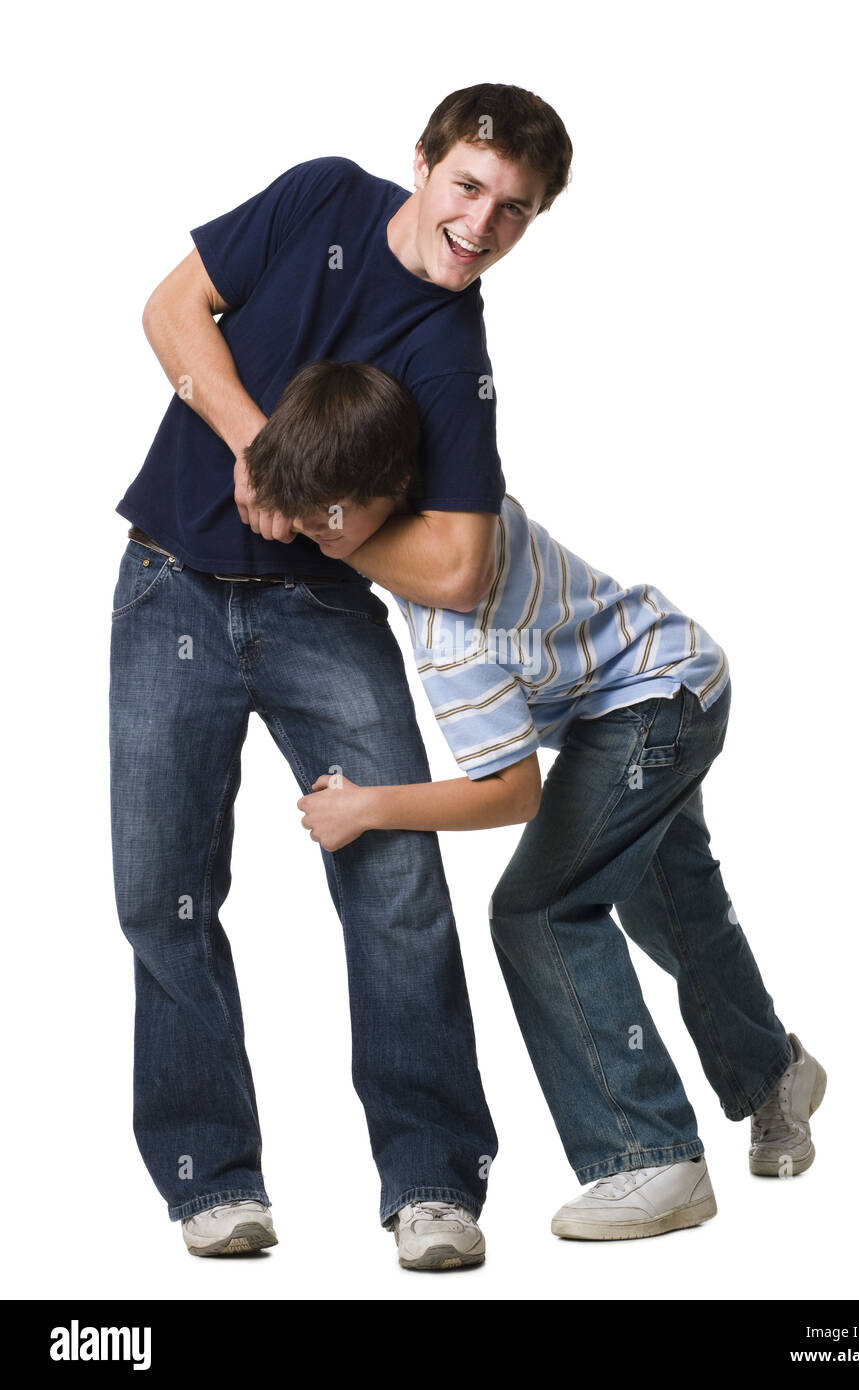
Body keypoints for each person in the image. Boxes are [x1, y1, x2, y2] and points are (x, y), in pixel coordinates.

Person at [109, 84, 573, 1268]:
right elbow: (172, 313)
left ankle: (432, 1181)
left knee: (396, 885)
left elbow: (462, 570)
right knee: (163, 890)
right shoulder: (321, 194)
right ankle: (210, 1180)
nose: (481, 224)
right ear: (422, 164)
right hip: (170, 580)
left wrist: (321, 522)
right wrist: (261, 451)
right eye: (469, 186)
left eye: (515, 211)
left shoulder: (454, 351)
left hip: (321, 611)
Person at [244, 359, 829, 1244]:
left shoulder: (451, 627)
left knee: (539, 909)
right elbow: (339, 493)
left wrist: (367, 808)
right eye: (309, 515)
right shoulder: (458, 507)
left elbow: (511, 794)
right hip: (672, 675)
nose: (321, 535)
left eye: (335, 518)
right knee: (675, 902)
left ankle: (648, 1155)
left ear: (393, 487)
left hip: (651, 706)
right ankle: (772, 1076)